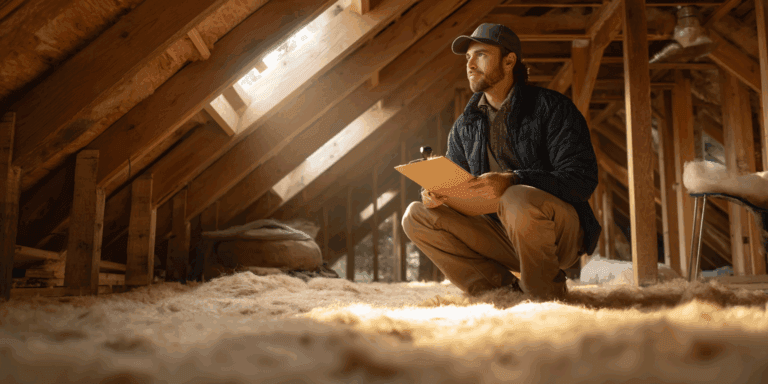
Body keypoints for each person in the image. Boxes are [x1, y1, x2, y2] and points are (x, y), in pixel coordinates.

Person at [401, 23, 601, 300]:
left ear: (509, 61)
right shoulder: (464, 126)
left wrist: (514, 178)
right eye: (467, 57)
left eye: (480, 54)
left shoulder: (553, 108)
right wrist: (439, 194)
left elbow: (582, 179)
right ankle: (498, 292)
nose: (470, 64)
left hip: (558, 235)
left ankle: (545, 293)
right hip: (500, 235)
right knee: (416, 215)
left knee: (515, 196)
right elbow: (460, 187)